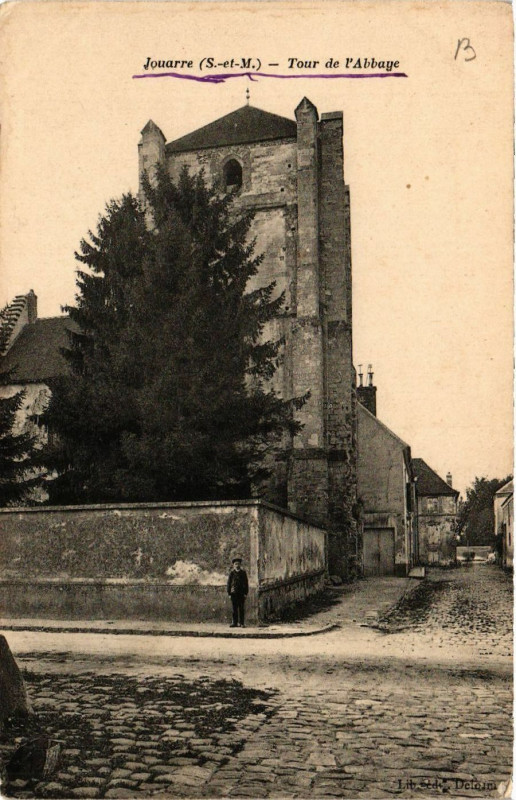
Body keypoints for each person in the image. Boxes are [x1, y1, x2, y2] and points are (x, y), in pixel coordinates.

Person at [227, 555, 248, 628]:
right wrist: (229, 593)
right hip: (234, 593)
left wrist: (245, 593)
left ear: (240, 565)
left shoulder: (243, 573)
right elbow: (229, 584)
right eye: (235, 564)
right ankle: (234, 623)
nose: (237, 565)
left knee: (241, 608)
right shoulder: (232, 573)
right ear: (233, 565)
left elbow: (246, 583)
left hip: (241, 593)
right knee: (234, 609)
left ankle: (242, 623)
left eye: (238, 564)